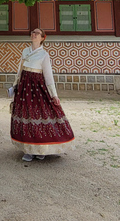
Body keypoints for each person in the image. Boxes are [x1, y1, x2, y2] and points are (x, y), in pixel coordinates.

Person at [10, 28, 74, 161]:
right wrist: (15, 85)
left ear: (43, 37)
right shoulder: (25, 51)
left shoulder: (44, 55)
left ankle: (41, 148)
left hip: (37, 88)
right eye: (32, 32)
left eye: (37, 33)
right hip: (24, 87)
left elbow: (48, 76)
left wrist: (54, 95)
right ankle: (28, 149)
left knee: (37, 115)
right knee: (26, 116)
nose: (33, 35)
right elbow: (19, 70)